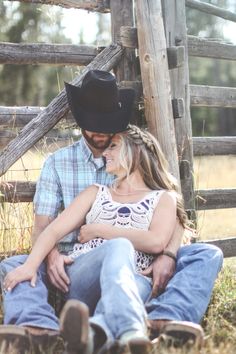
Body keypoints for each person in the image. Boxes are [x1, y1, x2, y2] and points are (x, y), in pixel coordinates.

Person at [0, 70, 223, 352]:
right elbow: (47, 227)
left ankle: (162, 319)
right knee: (15, 264)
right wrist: (49, 258)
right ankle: (38, 327)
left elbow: (173, 212)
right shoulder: (61, 165)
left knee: (205, 253)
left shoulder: (130, 159)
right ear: (80, 121)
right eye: (93, 125)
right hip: (77, 263)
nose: (102, 136)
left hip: (138, 261)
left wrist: (167, 254)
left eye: (108, 128)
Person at [2, 124, 189, 353]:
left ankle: (93, 335)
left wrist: (100, 229)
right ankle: (43, 327)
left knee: (121, 254)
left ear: (135, 152)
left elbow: (157, 242)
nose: (105, 153)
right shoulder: (96, 192)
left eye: (113, 146)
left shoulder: (163, 198)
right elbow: (51, 231)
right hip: (82, 274)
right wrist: (30, 266)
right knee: (13, 265)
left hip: (135, 277)